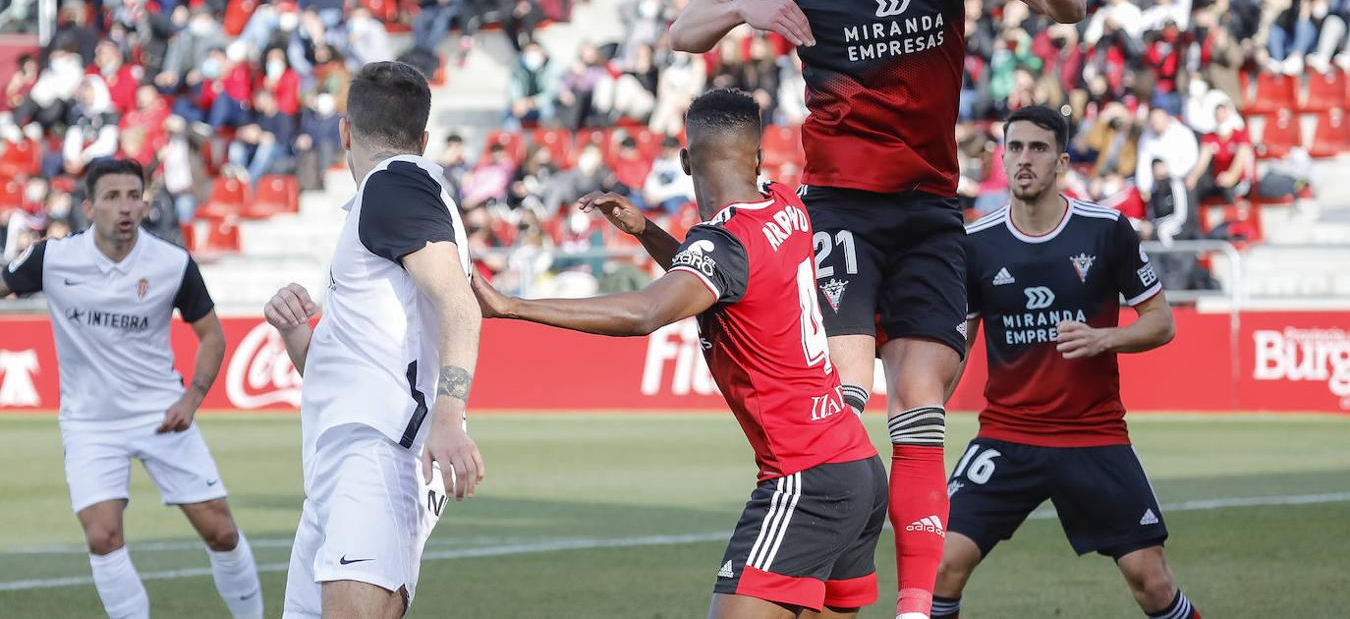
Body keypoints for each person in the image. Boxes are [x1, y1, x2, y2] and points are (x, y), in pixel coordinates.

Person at [669, 0, 1087, 619]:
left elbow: (1066, 4)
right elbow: (682, 30)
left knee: (920, 404)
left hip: (930, 211)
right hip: (837, 212)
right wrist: (744, 8)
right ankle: (832, 582)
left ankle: (915, 607)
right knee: (846, 396)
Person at [472, 88, 887, 619]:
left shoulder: (724, 244)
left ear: (686, 159)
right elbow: (721, 280)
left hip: (804, 477)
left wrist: (512, 305)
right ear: (757, 156)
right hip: (857, 466)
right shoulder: (785, 205)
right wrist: (647, 232)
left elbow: (648, 312)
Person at [935, 106, 1199, 619]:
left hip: (1093, 434)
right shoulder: (975, 245)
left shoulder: (1105, 231)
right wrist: (927, 408)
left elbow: (1161, 321)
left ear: (1060, 161)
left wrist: (1104, 338)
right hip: (1007, 436)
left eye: (1038, 148)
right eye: (1015, 148)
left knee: (1151, 580)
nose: (1024, 160)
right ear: (1003, 157)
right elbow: (959, 345)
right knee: (942, 564)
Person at [261, 61, 484, 619]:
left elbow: (460, 305)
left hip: (378, 451)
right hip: (342, 459)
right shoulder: (382, 202)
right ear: (424, 135)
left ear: (344, 131)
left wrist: (450, 418)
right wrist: (295, 332)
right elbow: (345, 365)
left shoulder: (395, 183)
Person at [0, 158, 263, 619]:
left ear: (145, 203)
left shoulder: (172, 263)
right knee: (103, 537)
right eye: (112, 197)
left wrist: (191, 398)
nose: (125, 206)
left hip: (161, 413)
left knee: (221, 532)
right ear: (89, 207)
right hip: (90, 423)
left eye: (133, 196)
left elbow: (212, 336)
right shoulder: (52, 258)